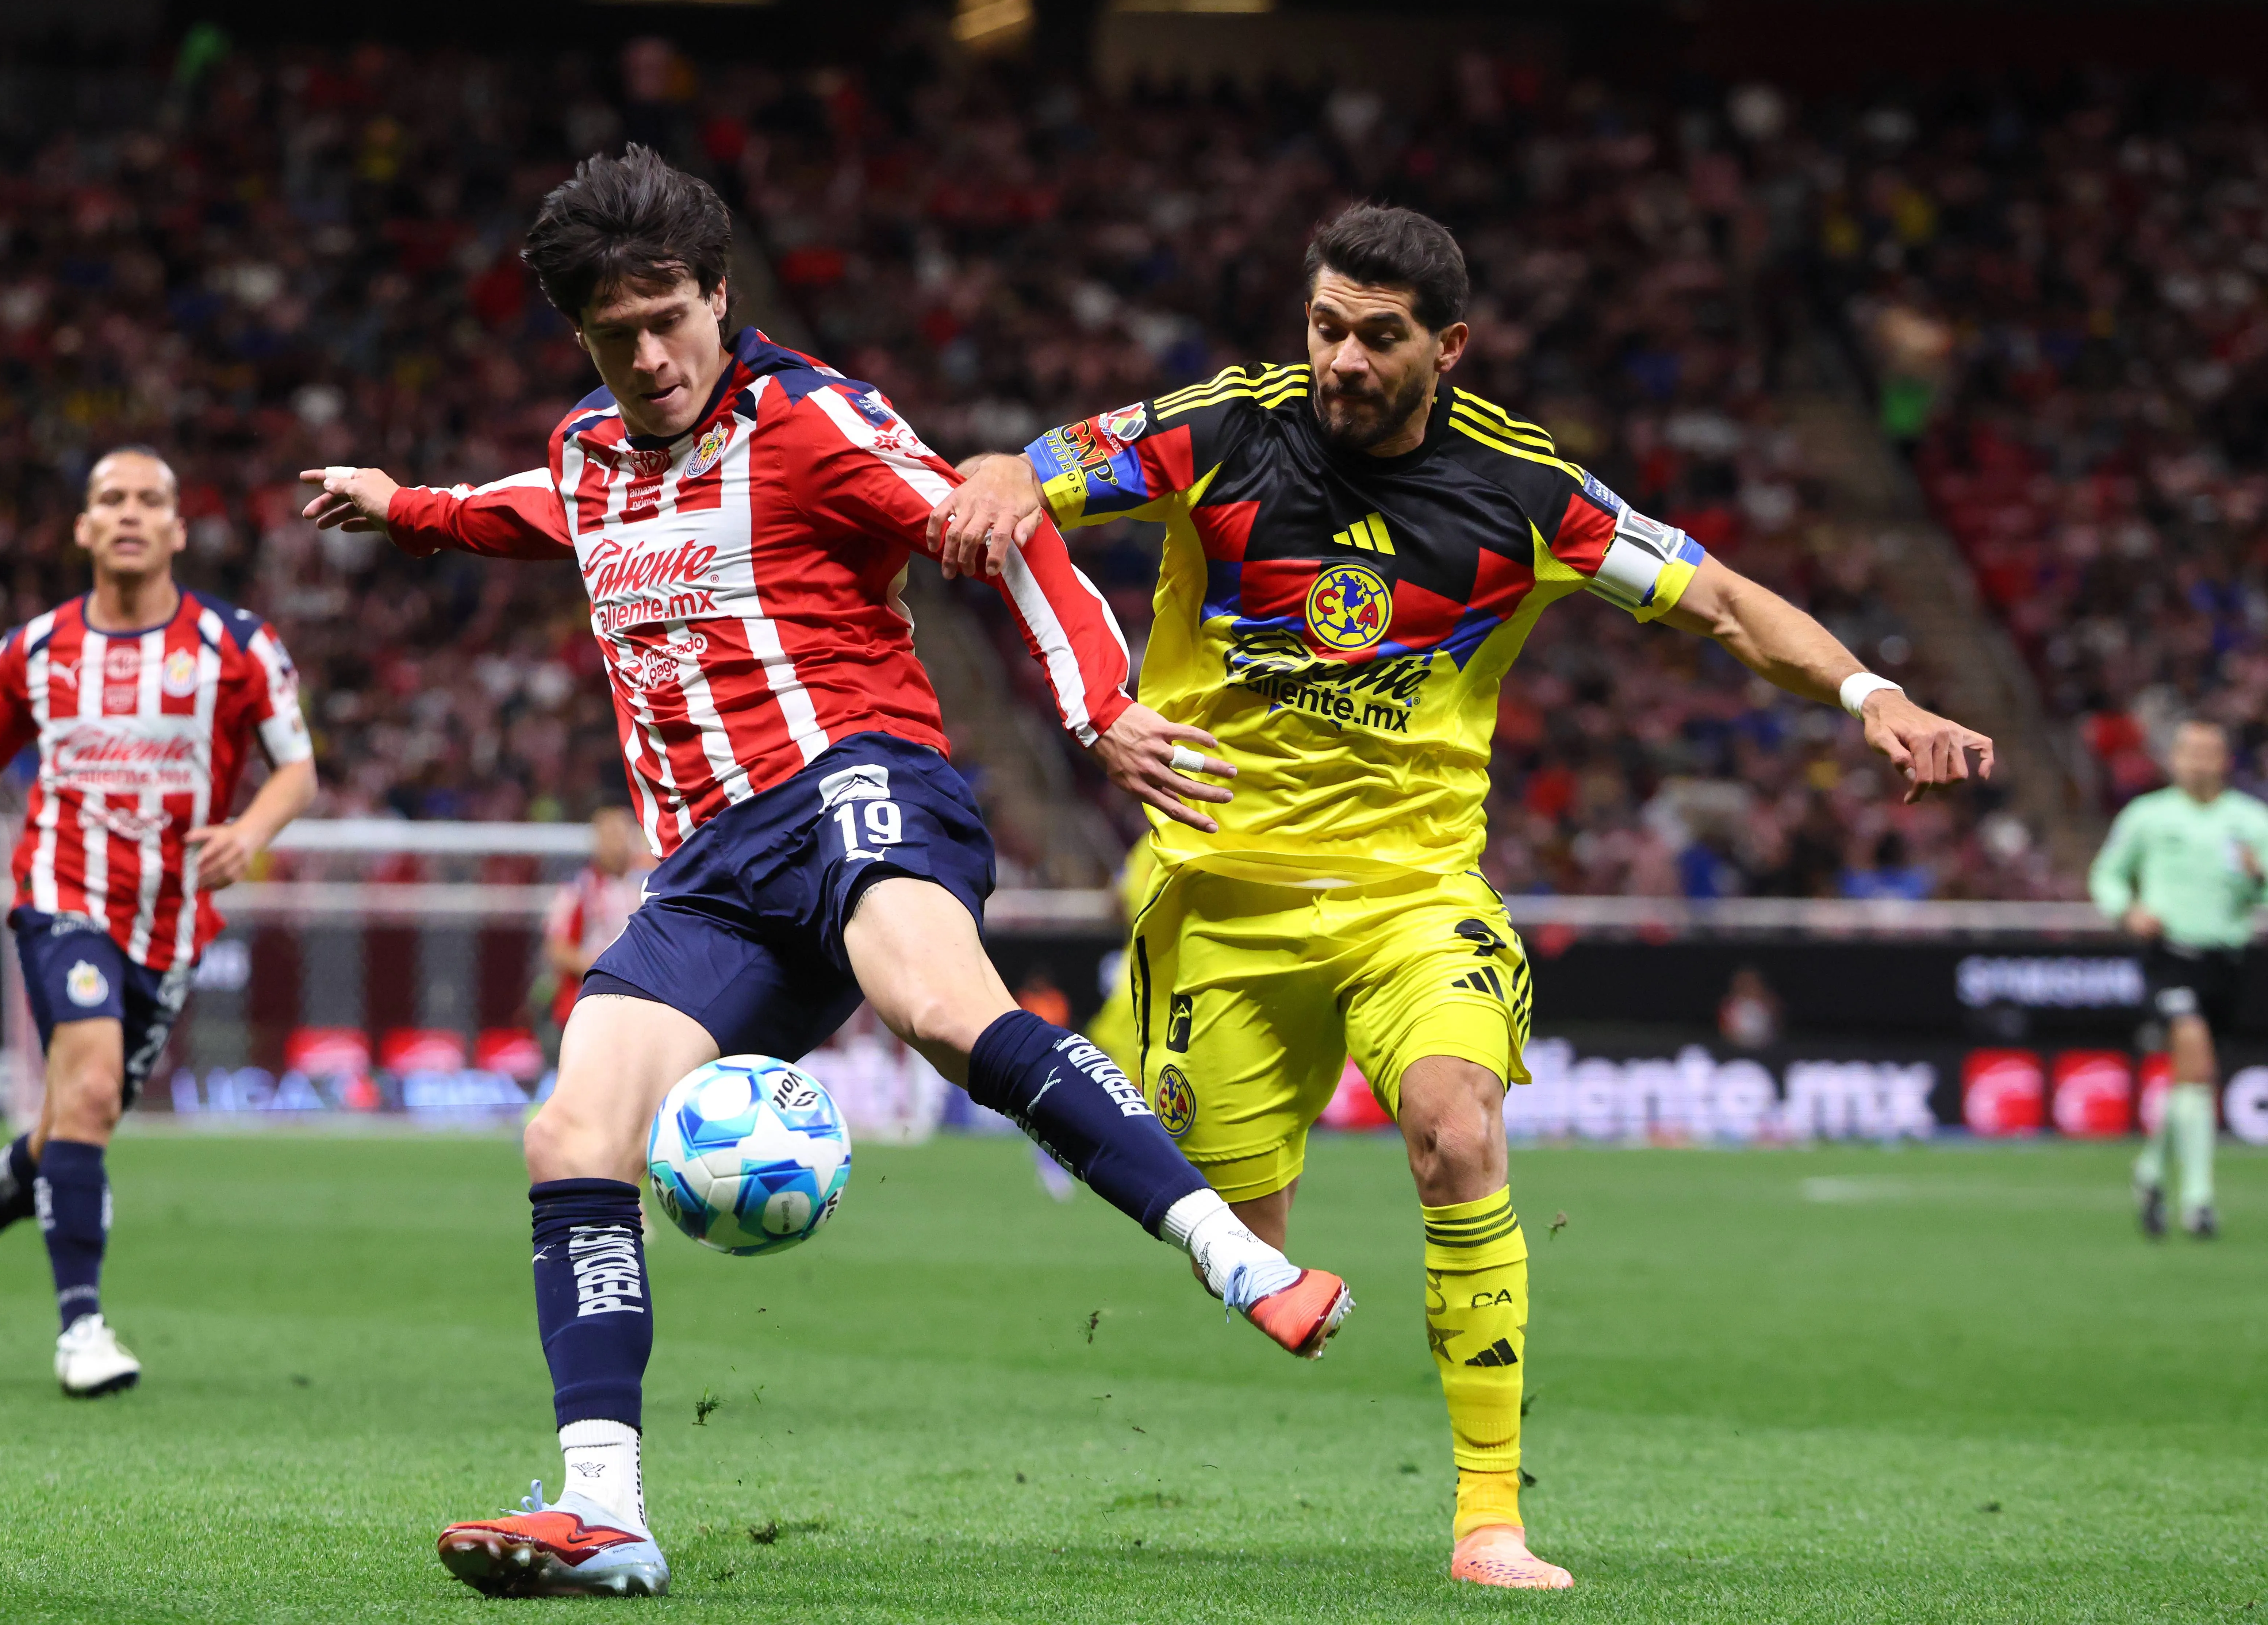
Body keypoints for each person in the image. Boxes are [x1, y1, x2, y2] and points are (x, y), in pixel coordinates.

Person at [296, 144, 1351, 1600]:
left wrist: (1097, 708)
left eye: (672, 317)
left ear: (719, 295)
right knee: (568, 1130)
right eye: (618, 335)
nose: (654, 355)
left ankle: (1232, 1250)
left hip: (860, 778)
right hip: (711, 872)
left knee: (933, 1005)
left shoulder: (809, 421)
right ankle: (607, 1508)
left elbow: (1003, 532)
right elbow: (531, 511)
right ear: (583, 341)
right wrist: (401, 500)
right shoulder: (587, 454)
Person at [931, 203, 1996, 1591]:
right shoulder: (1220, 430)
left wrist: (1869, 693)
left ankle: (1487, 1520)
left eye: (1378, 337)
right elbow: (1012, 471)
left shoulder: (1526, 492)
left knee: (1451, 1129)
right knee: (1241, 1248)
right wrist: (1006, 470)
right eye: (1324, 327)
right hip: (1219, 903)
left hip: (1411, 895)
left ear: (1447, 348)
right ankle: (1254, 1186)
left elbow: (1722, 604)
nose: (1342, 361)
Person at [0, 446, 318, 1395]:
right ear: (85, 528)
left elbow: (295, 770)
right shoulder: (34, 650)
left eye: (150, 500)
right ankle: (81, 1328)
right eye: (110, 500)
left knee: (77, 1120)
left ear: (177, 529)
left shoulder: (239, 646)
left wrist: (248, 829)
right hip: (62, 895)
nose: (129, 514)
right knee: (86, 1092)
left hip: (169, 925)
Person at [2088, 718, 2268, 1240]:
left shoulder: (2251, 820)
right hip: (2169, 953)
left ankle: (2149, 1171)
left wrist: (2258, 877)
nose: (2197, 761)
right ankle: (2198, 1199)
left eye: (2208, 751)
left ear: (2223, 760)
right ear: (2173, 759)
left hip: (2228, 958)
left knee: (2193, 1075)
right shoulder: (2147, 816)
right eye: (2188, 751)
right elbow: (2106, 874)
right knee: (2195, 1056)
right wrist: (2126, 910)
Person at [537, 806, 652, 1061]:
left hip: (640, 1005)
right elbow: (557, 949)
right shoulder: (578, 889)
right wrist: (605, 969)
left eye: (623, 835)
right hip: (587, 1003)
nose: (618, 845)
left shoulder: (649, 887)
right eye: (610, 836)